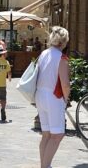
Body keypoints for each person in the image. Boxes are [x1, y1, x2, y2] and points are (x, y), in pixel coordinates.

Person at [35, 26, 70, 168]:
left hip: (40, 94)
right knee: (57, 135)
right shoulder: (61, 57)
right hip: (54, 97)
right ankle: (46, 166)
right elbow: (65, 84)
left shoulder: (44, 53)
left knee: (47, 134)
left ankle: (44, 165)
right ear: (64, 41)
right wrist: (66, 99)